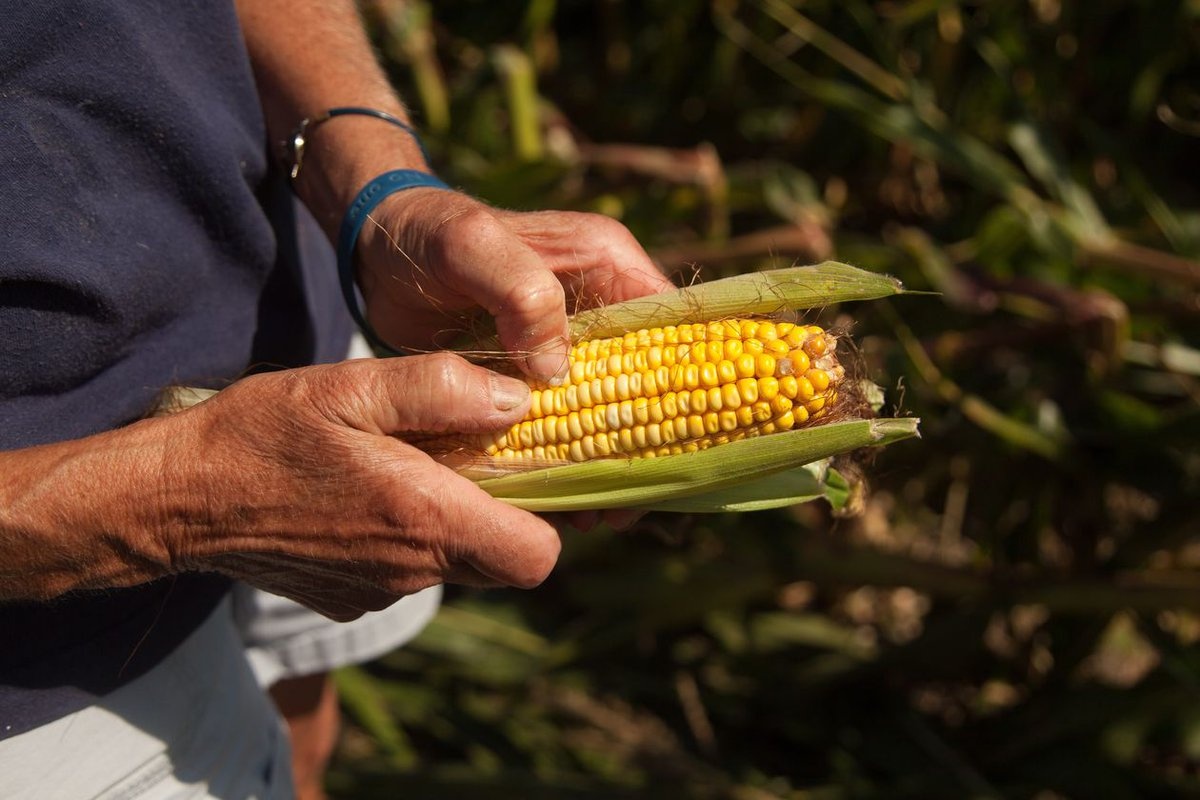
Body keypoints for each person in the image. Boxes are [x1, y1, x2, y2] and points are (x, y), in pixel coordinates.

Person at [0, 0, 672, 797]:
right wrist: (180, 501)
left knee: (303, 741)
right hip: (55, 700)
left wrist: (375, 189)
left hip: (319, 359)